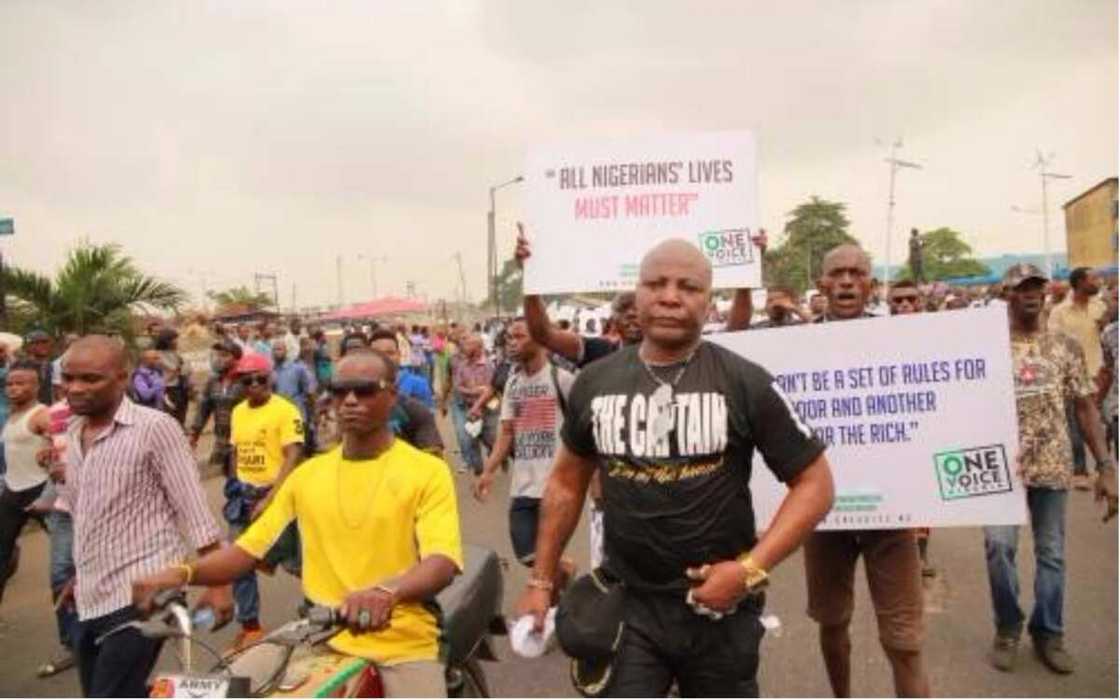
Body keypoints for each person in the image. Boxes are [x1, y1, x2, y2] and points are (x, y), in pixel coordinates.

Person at [517, 239, 835, 697]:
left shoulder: (745, 381)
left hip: (719, 612)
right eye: (656, 284)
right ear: (637, 293)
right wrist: (541, 580)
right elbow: (566, 484)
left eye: (688, 286)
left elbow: (816, 485)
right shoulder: (596, 382)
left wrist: (748, 570)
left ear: (709, 302)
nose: (670, 296)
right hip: (629, 606)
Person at [133, 351, 463, 698]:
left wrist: (386, 592)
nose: (350, 400)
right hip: (318, 634)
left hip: (402, 641)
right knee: (209, 692)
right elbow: (246, 551)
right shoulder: (307, 475)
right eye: (339, 390)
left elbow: (441, 562)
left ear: (391, 395)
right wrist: (179, 573)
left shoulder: (427, 471)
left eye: (365, 390)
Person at [58, 336, 231, 697]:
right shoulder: (74, 432)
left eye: (90, 379)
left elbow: (195, 512)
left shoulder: (155, 428)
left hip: (146, 597)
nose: (75, 388)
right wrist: (79, 574)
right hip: (91, 596)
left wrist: (218, 584)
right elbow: (86, 513)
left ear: (123, 379)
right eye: (68, 378)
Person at [804, 244, 932, 698]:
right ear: (822, 283)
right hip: (822, 514)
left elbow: (942, 408)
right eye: (836, 273)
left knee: (904, 641)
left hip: (890, 515)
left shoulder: (902, 341)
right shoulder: (792, 348)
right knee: (832, 623)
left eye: (856, 273)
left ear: (870, 285)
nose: (845, 281)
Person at [984, 263, 1117, 675]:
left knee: (1052, 554)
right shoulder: (984, 347)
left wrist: (1106, 466)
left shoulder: (1064, 346)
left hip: (1054, 464)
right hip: (1000, 468)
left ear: (1045, 293)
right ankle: (1007, 626)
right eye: (1021, 287)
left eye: (1037, 287)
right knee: (999, 548)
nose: (1030, 293)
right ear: (1007, 293)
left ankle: (1049, 632)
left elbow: (1084, 407)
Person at [474, 319, 575, 577]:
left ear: (541, 338)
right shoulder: (512, 383)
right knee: (527, 553)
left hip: (556, 486)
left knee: (545, 559)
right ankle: (566, 573)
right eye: (509, 337)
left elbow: (584, 431)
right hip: (523, 485)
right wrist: (488, 471)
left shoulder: (562, 380)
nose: (511, 343)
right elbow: (506, 431)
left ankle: (551, 610)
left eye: (519, 337)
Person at [226, 352, 305, 652]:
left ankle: (323, 605)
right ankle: (251, 626)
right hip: (243, 496)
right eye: (247, 380)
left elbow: (293, 455)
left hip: (277, 495)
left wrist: (271, 499)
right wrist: (234, 483)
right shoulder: (238, 412)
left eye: (260, 378)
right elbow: (235, 450)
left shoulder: (285, 411)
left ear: (270, 378)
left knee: (295, 563)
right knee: (238, 562)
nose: (254, 385)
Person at [887, 280, 936, 579]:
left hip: (926, 426)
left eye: (910, 300)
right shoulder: (873, 336)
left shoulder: (937, 336)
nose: (905, 305)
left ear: (920, 303)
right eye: (898, 301)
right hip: (891, 429)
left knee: (924, 495)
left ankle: (920, 555)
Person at [1047, 267, 1108, 490]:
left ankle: (1105, 467)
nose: (1098, 282)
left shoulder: (1100, 307)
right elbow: (1053, 344)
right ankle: (1080, 471)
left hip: (1100, 374)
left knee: (1103, 423)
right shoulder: (1059, 312)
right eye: (1093, 278)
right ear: (1080, 283)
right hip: (1071, 377)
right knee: (1075, 425)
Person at [0, 362, 52, 605]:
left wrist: (52, 450)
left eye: (21, 383)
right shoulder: (11, 415)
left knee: (72, 550)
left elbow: (63, 444)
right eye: (10, 383)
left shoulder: (42, 414)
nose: (13, 388)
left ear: (36, 386)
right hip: (12, 490)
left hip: (41, 490)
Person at [190, 340, 245, 471]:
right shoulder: (213, 381)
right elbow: (203, 409)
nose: (219, 359)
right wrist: (194, 434)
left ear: (236, 358)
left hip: (244, 440)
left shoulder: (247, 380)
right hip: (221, 439)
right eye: (218, 355)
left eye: (225, 355)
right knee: (223, 475)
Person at [449, 334, 492, 475]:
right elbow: (457, 386)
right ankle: (479, 468)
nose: (464, 348)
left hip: (489, 408)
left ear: (479, 348)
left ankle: (497, 455)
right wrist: (473, 391)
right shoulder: (462, 366)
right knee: (470, 437)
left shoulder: (488, 365)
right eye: (465, 345)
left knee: (491, 437)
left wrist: (481, 397)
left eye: (468, 345)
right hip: (468, 407)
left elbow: (492, 388)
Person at [371, 329, 434, 408]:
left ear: (399, 355)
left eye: (390, 353)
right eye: (378, 353)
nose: (385, 357)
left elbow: (427, 416)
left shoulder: (418, 385)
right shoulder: (363, 387)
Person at [272, 341, 317, 445]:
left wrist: (312, 413)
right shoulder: (271, 371)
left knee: (299, 444)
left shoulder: (297, 369)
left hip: (297, 412)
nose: (276, 352)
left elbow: (308, 391)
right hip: (278, 414)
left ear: (286, 351)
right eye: (274, 349)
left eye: (279, 349)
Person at [154, 328, 190, 425]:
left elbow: (186, 370)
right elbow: (174, 369)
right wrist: (179, 368)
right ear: (167, 340)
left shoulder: (177, 353)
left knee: (182, 413)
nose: (177, 341)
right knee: (171, 415)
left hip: (181, 387)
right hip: (168, 388)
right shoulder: (158, 355)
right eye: (174, 339)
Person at [24, 330, 56, 406]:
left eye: (45, 342)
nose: (42, 345)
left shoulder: (52, 365)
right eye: (36, 342)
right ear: (29, 346)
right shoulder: (21, 366)